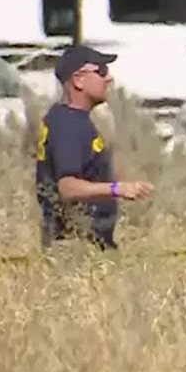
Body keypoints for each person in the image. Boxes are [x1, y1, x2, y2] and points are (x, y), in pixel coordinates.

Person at [35, 45, 153, 250]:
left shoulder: (68, 119)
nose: (109, 79)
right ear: (79, 79)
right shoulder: (68, 125)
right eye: (101, 71)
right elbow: (68, 187)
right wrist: (119, 189)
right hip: (75, 245)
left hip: (82, 243)